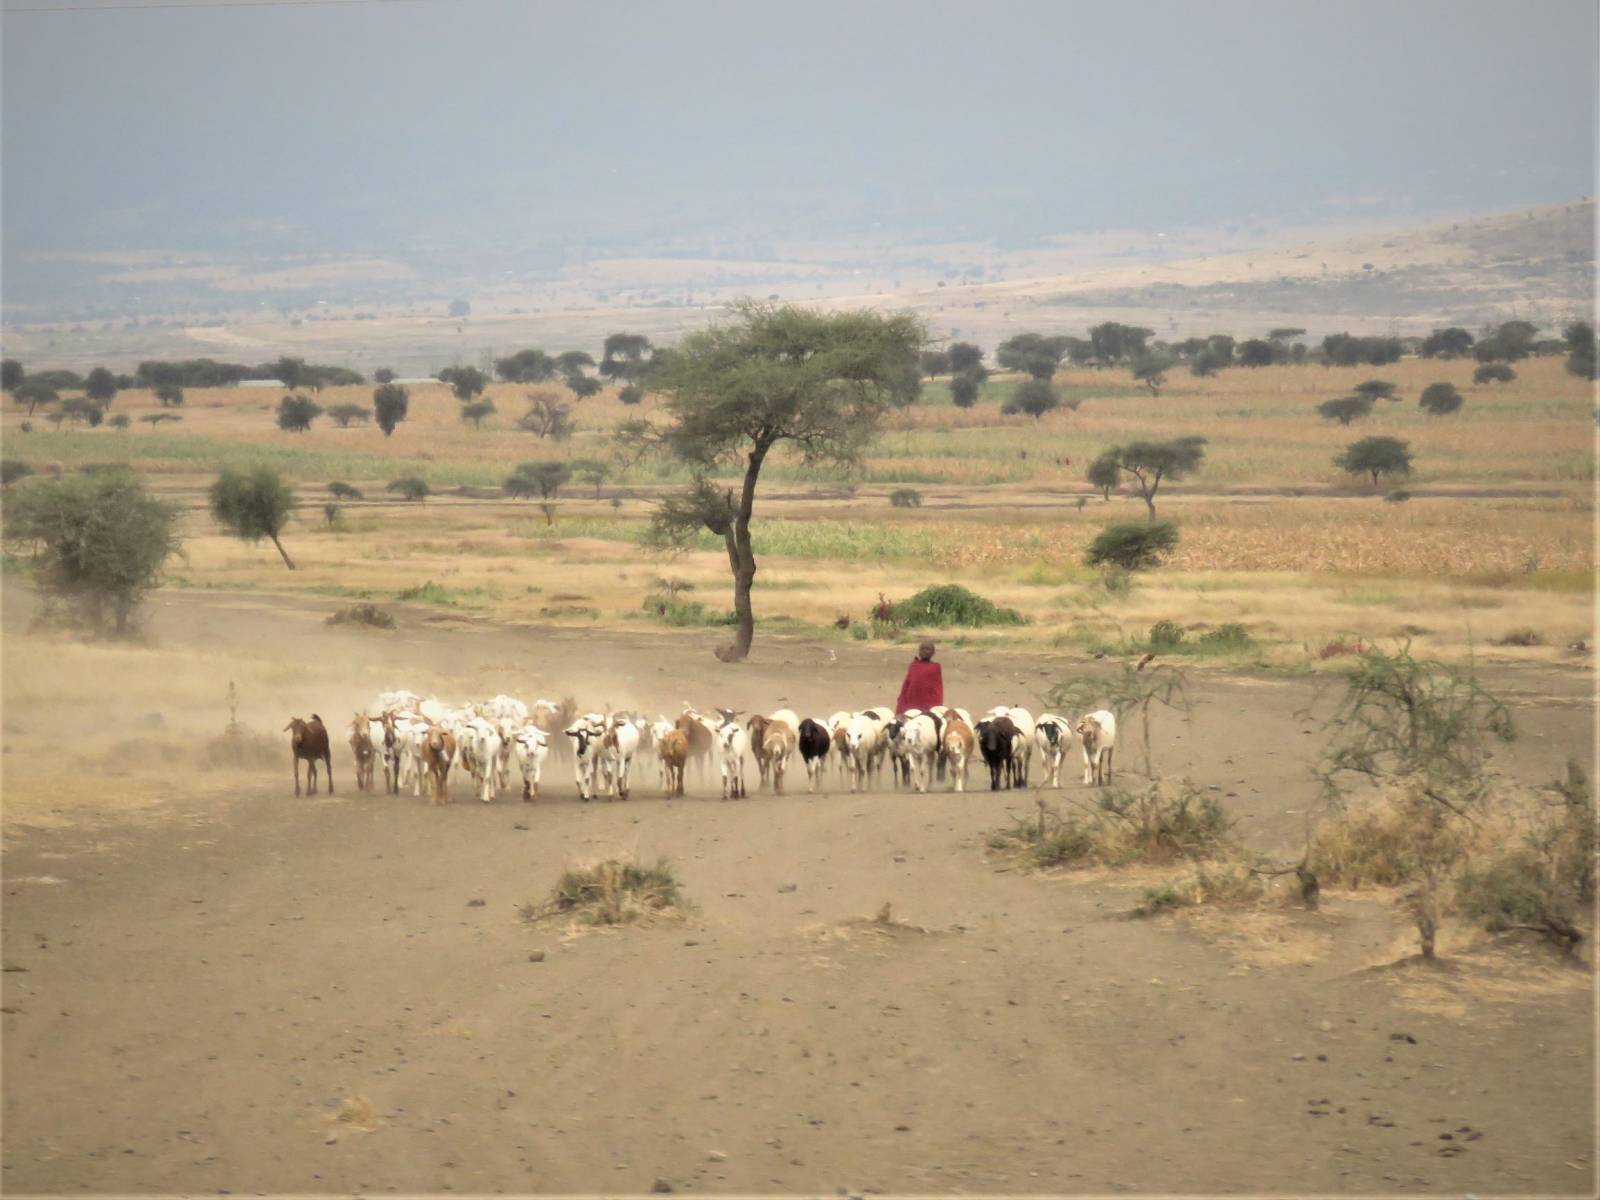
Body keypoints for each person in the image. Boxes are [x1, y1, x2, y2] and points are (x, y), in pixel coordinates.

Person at [895, 638, 944, 715]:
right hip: (910, 705)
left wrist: (936, 708)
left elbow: (937, 689)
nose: (924, 651)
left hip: (927, 706)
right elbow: (906, 686)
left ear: (933, 653)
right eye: (922, 649)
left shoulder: (935, 668)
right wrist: (901, 702)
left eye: (927, 649)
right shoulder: (914, 666)